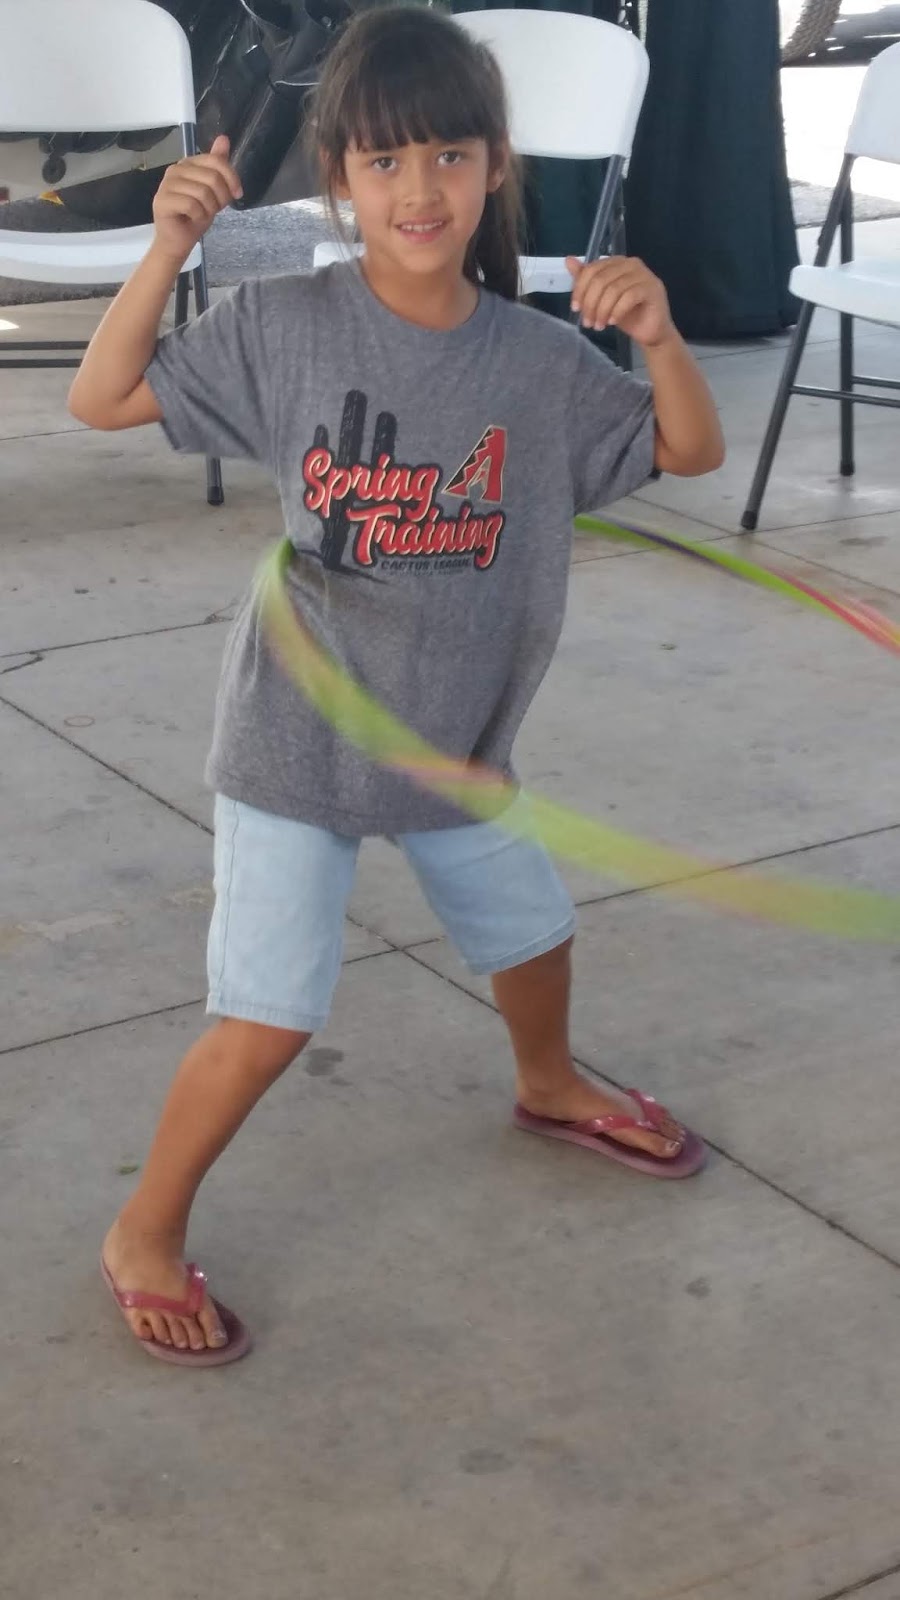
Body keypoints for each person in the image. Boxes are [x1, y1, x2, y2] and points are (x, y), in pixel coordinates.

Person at [70, 4, 724, 1366]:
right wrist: (168, 246)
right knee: (267, 1018)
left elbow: (687, 450)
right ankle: (144, 1227)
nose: (418, 190)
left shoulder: (539, 362)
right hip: (300, 737)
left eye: (448, 156)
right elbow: (103, 398)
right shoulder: (286, 326)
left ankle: (548, 1083)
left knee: (535, 935)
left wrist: (663, 336)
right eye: (384, 161)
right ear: (340, 179)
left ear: (494, 169)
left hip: (457, 740)